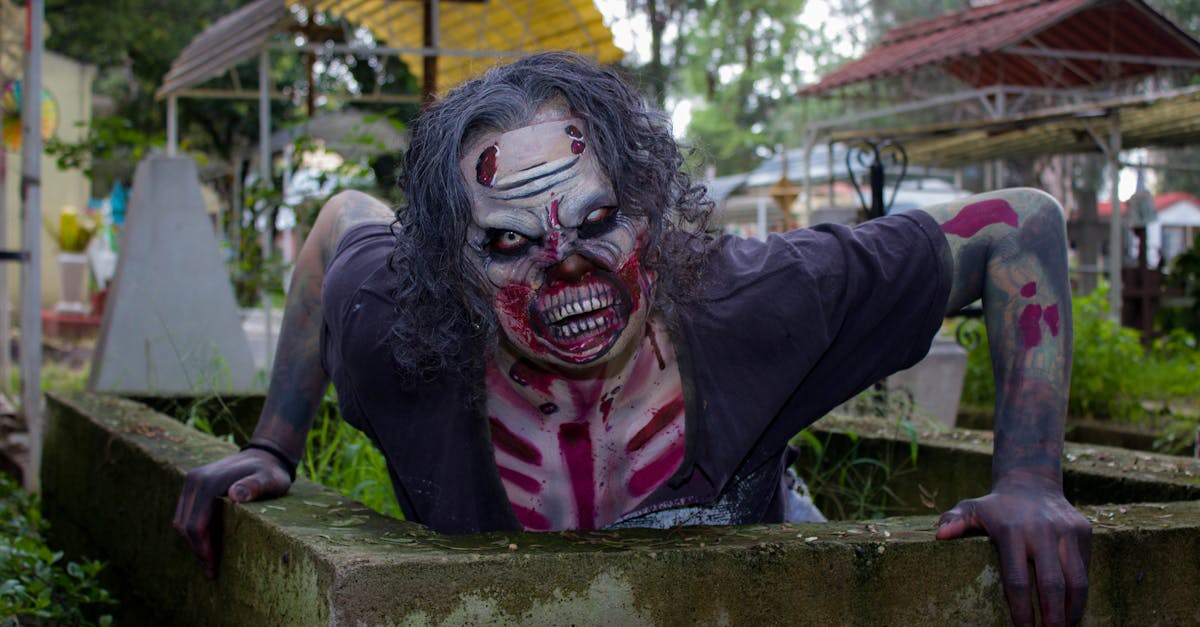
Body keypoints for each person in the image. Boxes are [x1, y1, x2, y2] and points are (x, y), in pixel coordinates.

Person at [175, 51, 1090, 625]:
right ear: (448, 266)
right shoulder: (397, 337)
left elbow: (1020, 223)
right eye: (509, 243)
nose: (567, 268)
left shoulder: (756, 303)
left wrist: (1028, 478)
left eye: (599, 219)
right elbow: (340, 222)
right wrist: (272, 444)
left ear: (650, 208)